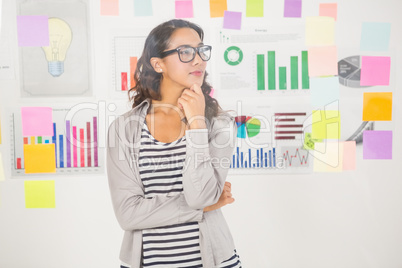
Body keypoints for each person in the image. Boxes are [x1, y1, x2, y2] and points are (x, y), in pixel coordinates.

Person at [107, 19, 241, 268]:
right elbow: (128, 215)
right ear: (158, 64)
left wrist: (197, 123)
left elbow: (200, 196)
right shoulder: (124, 129)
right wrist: (203, 207)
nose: (199, 59)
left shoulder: (219, 124)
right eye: (186, 52)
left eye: (201, 50)